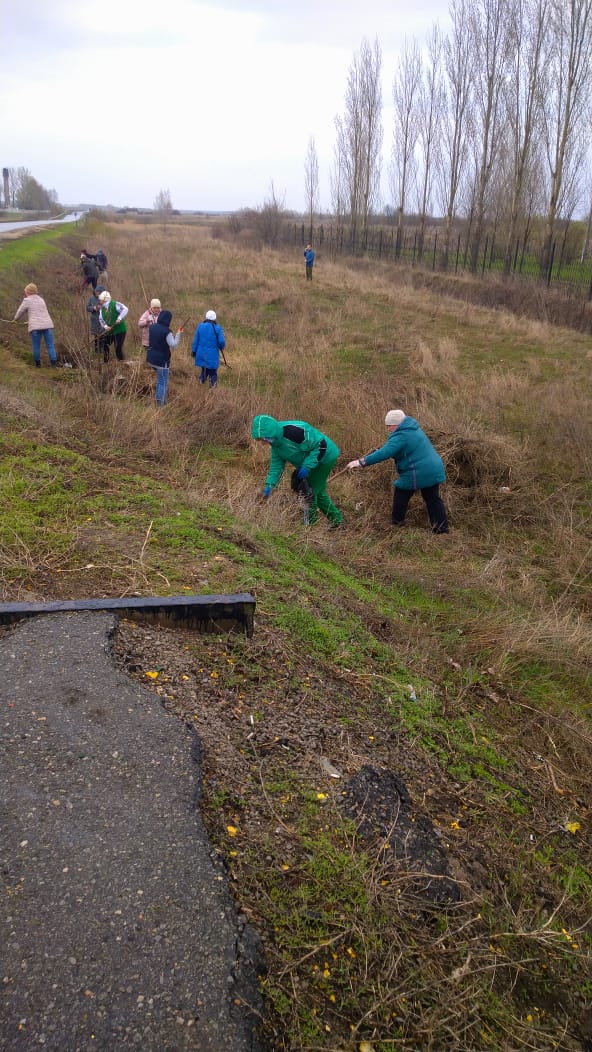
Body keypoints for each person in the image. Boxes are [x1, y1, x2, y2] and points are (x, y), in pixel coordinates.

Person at [347, 410, 449, 533]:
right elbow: (392, 447)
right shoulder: (412, 428)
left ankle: (396, 524)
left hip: (418, 471)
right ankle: (441, 529)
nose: (388, 429)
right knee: (433, 498)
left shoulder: (401, 436)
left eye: (389, 426)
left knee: (401, 494)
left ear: (396, 424)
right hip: (433, 468)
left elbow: (384, 453)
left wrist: (361, 462)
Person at [252, 414, 343, 528]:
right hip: (310, 463)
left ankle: (310, 526)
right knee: (318, 493)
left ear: (272, 432)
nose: (264, 442)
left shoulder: (295, 432)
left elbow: (321, 445)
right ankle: (337, 521)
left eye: (264, 438)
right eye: (261, 440)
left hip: (325, 457)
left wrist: (306, 466)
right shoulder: (275, 444)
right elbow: (276, 466)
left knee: (310, 492)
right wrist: (270, 485)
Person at [14, 283, 58, 368]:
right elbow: (40, 313)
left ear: (28, 291)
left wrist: (15, 319)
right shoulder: (41, 299)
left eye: (25, 291)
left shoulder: (27, 300)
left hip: (35, 327)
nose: (25, 293)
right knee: (50, 345)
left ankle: (38, 365)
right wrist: (30, 321)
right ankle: (53, 365)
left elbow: (20, 312)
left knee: (36, 345)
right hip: (47, 325)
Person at [146, 309, 182, 407]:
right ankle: (161, 405)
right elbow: (173, 345)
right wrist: (178, 334)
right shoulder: (167, 332)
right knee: (163, 382)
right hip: (161, 361)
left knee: (160, 380)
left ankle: (161, 400)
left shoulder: (152, 327)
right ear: (168, 320)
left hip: (150, 358)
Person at [191, 309, 225, 387]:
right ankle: (212, 390)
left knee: (204, 370)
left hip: (201, 354)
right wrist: (221, 347)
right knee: (213, 373)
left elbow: (196, 340)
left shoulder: (200, 326)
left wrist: (194, 351)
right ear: (214, 318)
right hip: (213, 355)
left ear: (206, 317)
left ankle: (200, 386)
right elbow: (222, 341)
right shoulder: (217, 328)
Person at [98, 290, 128, 363]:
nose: (99, 301)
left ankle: (121, 363)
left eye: (100, 300)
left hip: (120, 330)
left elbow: (125, 309)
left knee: (117, 347)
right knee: (105, 343)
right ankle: (106, 361)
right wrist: (105, 326)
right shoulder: (102, 309)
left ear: (104, 300)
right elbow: (101, 319)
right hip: (110, 330)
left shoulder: (114, 304)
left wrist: (119, 318)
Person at [86, 283, 106, 357]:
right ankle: (97, 350)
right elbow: (87, 307)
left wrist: (101, 308)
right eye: (96, 292)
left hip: (103, 320)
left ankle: (103, 350)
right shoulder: (91, 298)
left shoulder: (105, 298)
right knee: (96, 335)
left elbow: (108, 307)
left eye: (99, 293)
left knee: (103, 335)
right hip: (94, 319)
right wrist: (93, 308)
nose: (97, 294)